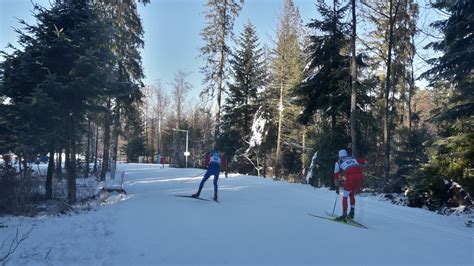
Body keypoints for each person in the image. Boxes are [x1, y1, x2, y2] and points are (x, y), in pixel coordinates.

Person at [333, 149, 367, 221]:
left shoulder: (338, 162)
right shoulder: (352, 158)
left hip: (351, 177)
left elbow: (336, 175)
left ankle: (344, 214)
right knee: (351, 194)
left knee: (345, 196)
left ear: (339, 156)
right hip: (359, 177)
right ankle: (352, 212)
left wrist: (337, 187)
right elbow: (364, 162)